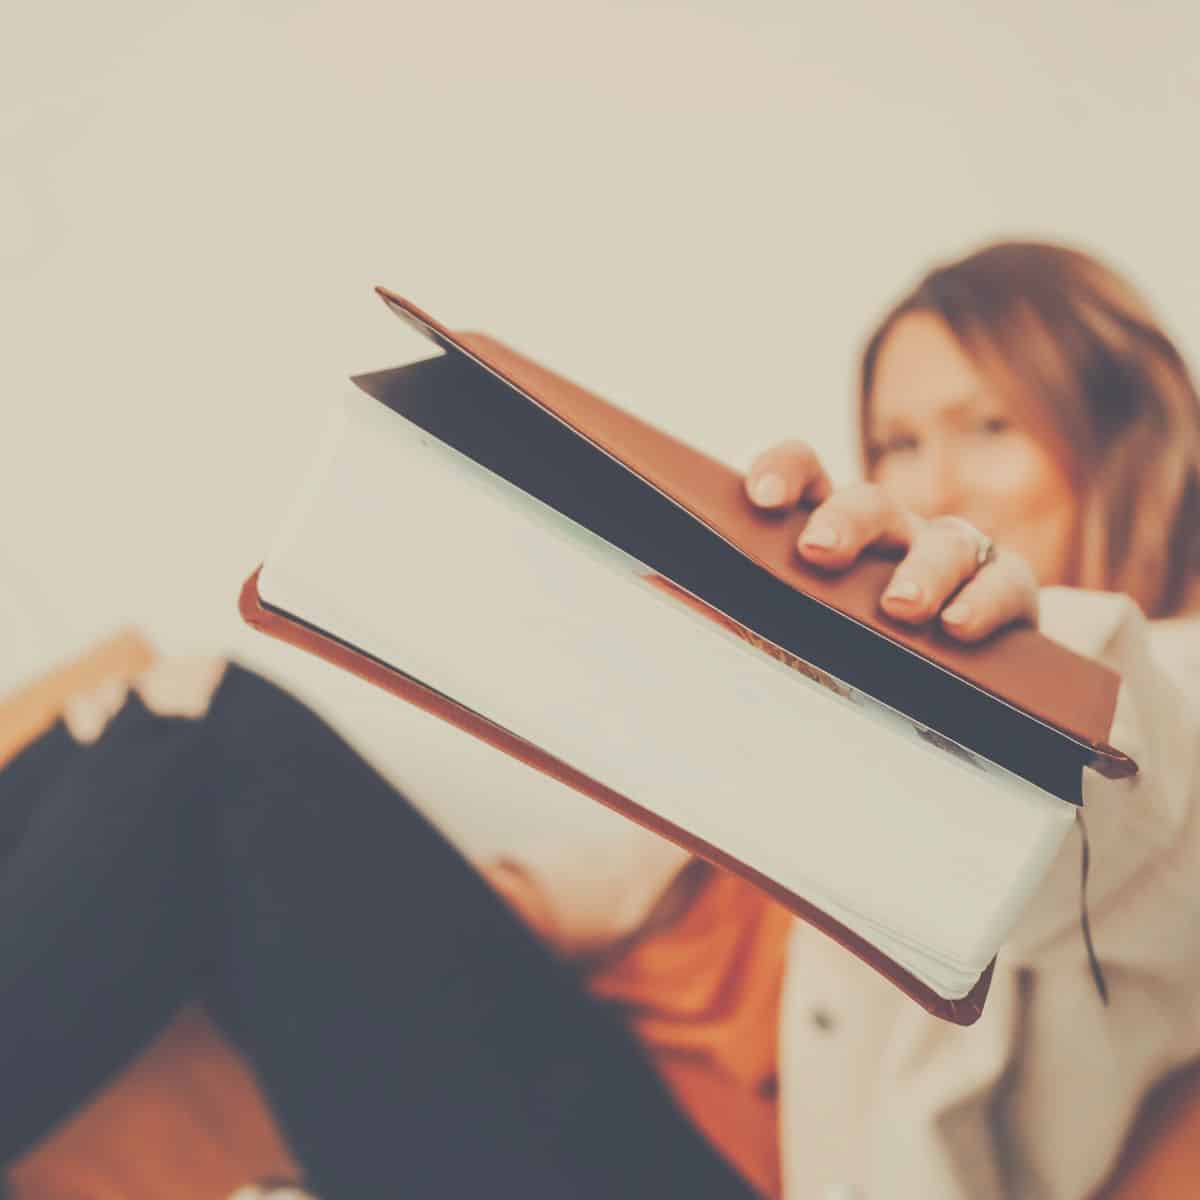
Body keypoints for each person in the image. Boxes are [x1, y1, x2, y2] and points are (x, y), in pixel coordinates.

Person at [3, 239, 1199, 1200]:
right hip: (543, 1072)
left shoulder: (1165, 704)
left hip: (667, 1164)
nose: (931, 482)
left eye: (989, 427)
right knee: (138, 721)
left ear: (1116, 432)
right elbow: (621, 875)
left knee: (212, 745)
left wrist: (1052, 688)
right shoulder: (840, 724)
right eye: (898, 440)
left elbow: (1131, 841)